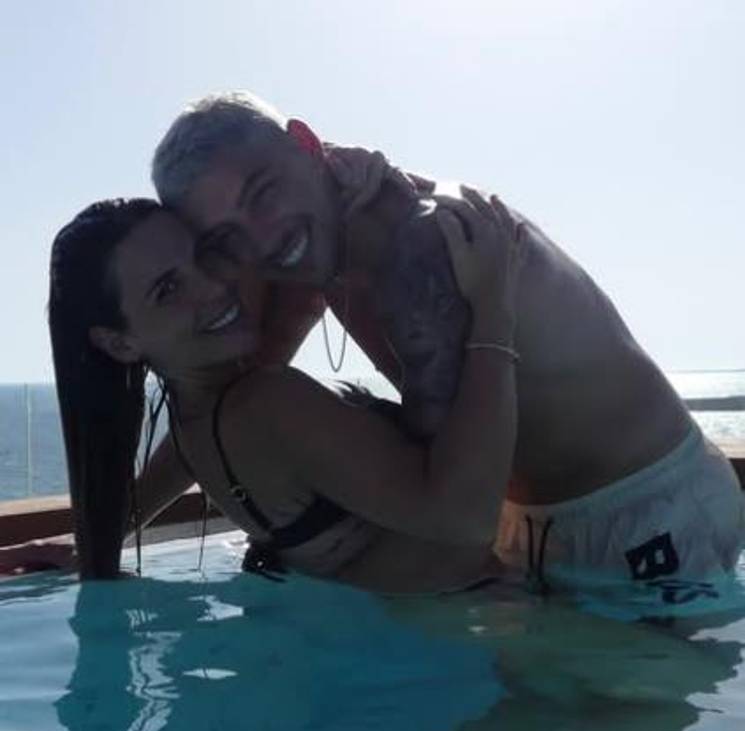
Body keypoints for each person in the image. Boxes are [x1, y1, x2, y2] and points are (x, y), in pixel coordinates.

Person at [147, 91, 744, 603]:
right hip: (529, 523)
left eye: (263, 192)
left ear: (306, 144)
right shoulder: (312, 245)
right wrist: (113, 528)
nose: (262, 240)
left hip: (646, 509)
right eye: (227, 236)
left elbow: (452, 509)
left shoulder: (432, 243)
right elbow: (226, 403)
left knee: (643, 701)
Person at [48, 190, 525, 590]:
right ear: (119, 342)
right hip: (488, 628)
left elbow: (153, 485)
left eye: (204, 255)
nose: (213, 287)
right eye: (168, 289)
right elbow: (465, 520)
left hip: (415, 636)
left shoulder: (196, 425)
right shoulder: (266, 406)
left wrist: (86, 545)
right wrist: (493, 309)